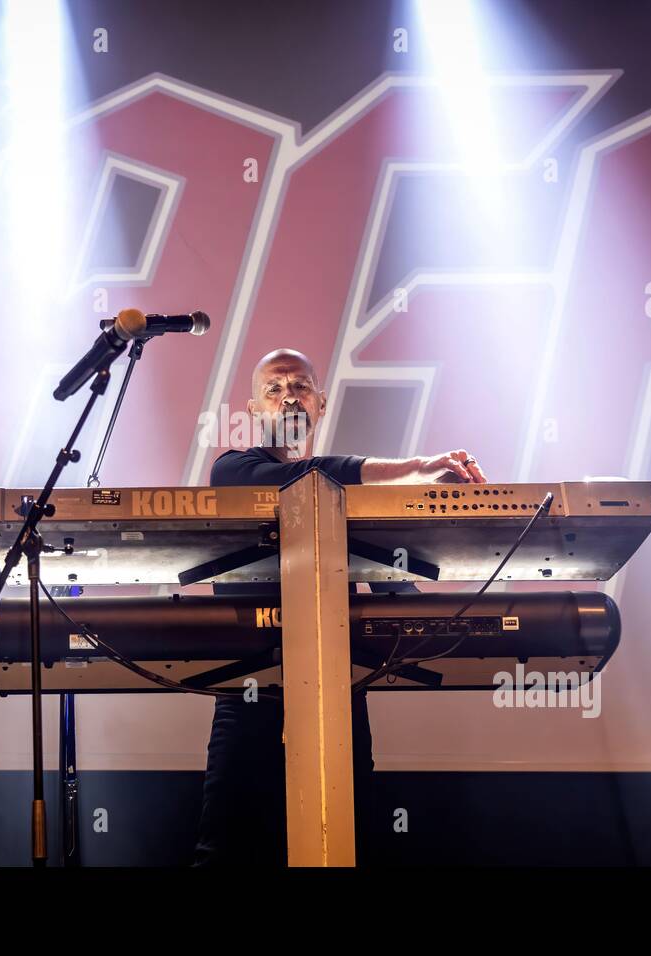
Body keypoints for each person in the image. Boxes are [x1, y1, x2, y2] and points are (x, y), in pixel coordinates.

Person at [192, 348, 486, 865]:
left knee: (348, 838)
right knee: (226, 847)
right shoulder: (234, 468)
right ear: (253, 408)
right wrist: (416, 469)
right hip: (250, 691)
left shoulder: (346, 500)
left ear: (321, 403)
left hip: (335, 686)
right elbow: (310, 477)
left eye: (300, 387)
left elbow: (396, 589)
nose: (288, 398)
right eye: (274, 389)